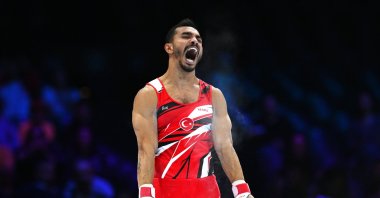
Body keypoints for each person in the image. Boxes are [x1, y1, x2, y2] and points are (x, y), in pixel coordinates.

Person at [132, 18, 254, 198]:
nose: (194, 41)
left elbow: (224, 146)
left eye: (198, 39)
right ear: (169, 48)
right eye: (186, 36)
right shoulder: (149, 95)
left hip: (206, 191)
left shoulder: (214, 96)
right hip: (166, 190)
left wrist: (241, 190)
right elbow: (145, 149)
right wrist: (145, 192)